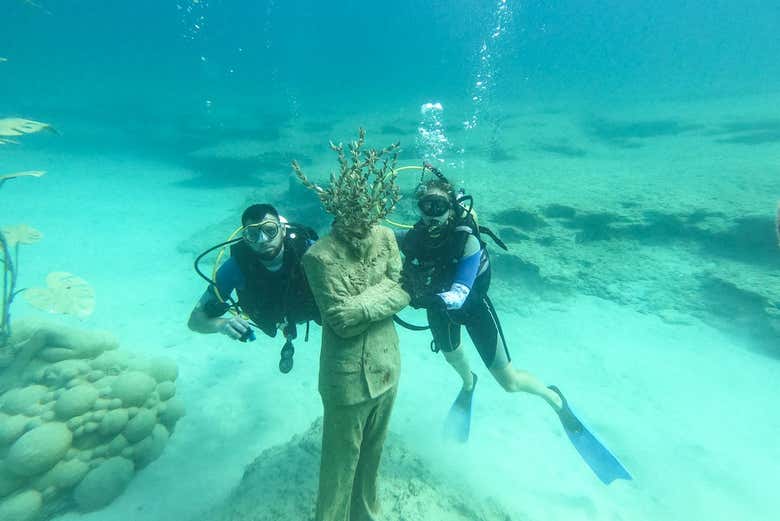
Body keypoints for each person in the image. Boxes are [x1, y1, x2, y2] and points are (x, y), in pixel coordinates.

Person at [399, 168, 632, 484]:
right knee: (453, 358)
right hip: (439, 311)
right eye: (425, 207)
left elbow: (461, 292)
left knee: (509, 383)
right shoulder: (416, 237)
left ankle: (555, 399)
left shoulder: (465, 238)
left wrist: (429, 298)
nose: (431, 215)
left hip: (472, 309)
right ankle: (469, 384)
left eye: (438, 207)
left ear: (452, 208)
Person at [294, 129, 410, 521]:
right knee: (339, 467)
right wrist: (382, 296)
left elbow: (405, 290)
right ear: (336, 208)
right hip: (347, 381)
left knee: (372, 458)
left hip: (389, 367)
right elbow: (341, 322)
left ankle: (366, 516)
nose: (361, 220)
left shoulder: (387, 237)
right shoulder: (319, 258)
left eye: (368, 210)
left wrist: (367, 303)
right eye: (351, 211)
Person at [188, 203, 320, 372]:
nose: (263, 240)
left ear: (283, 230)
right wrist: (221, 324)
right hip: (272, 317)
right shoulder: (235, 268)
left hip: (312, 310)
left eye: (270, 230)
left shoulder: (308, 249)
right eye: (253, 234)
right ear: (245, 238)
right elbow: (195, 321)